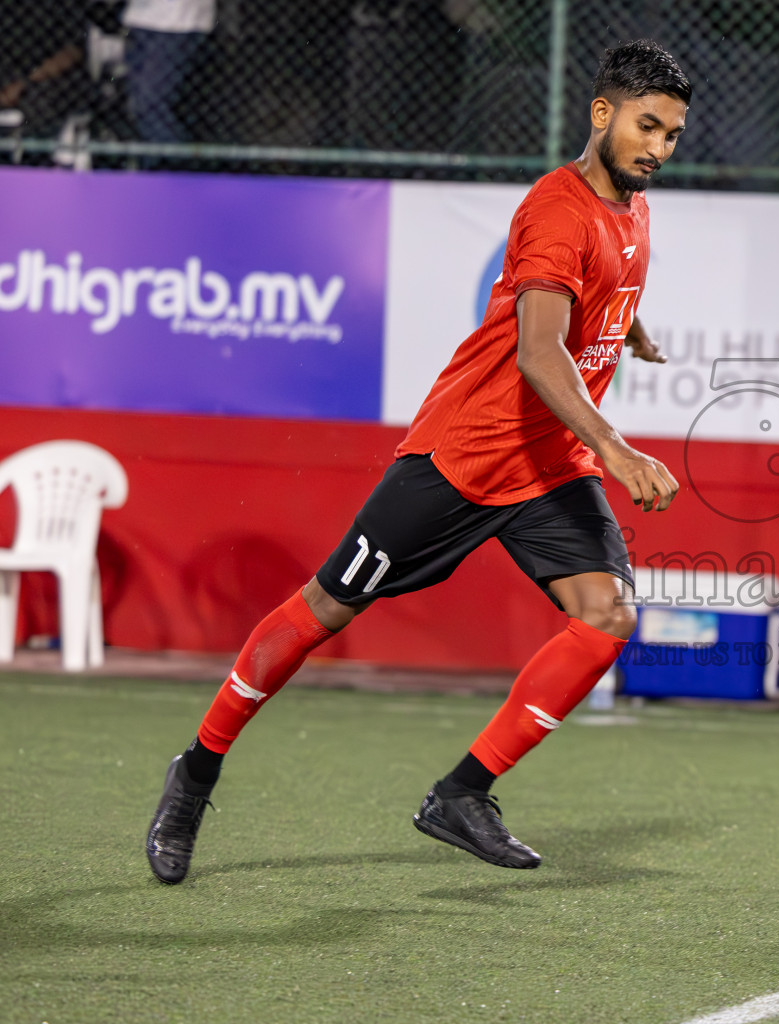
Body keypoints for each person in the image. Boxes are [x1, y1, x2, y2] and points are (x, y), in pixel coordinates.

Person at [145, 40, 690, 884]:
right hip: (464, 456)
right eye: (646, 126)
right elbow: (541, 353)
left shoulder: (634, 208)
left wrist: (628, 328)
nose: (658, 146)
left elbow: (596, 294)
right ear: (602, 114)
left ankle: (462, 795)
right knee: (325, 608)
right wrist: (615, 446)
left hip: (548, 466)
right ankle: (198, 770)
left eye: (673, 133)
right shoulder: (557, 209)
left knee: (607, 613)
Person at [123, 0, 216, 142]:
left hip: (180, 22)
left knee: (150, 100)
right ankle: (152, 158)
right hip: (139, 19)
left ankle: (170, 160)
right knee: (137, 103)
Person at [0, 0, 91, 139]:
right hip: (8, 77)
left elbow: (73, 53)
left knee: (46, 98)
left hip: (41, 83)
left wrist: (20, 85)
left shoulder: (61, 7)